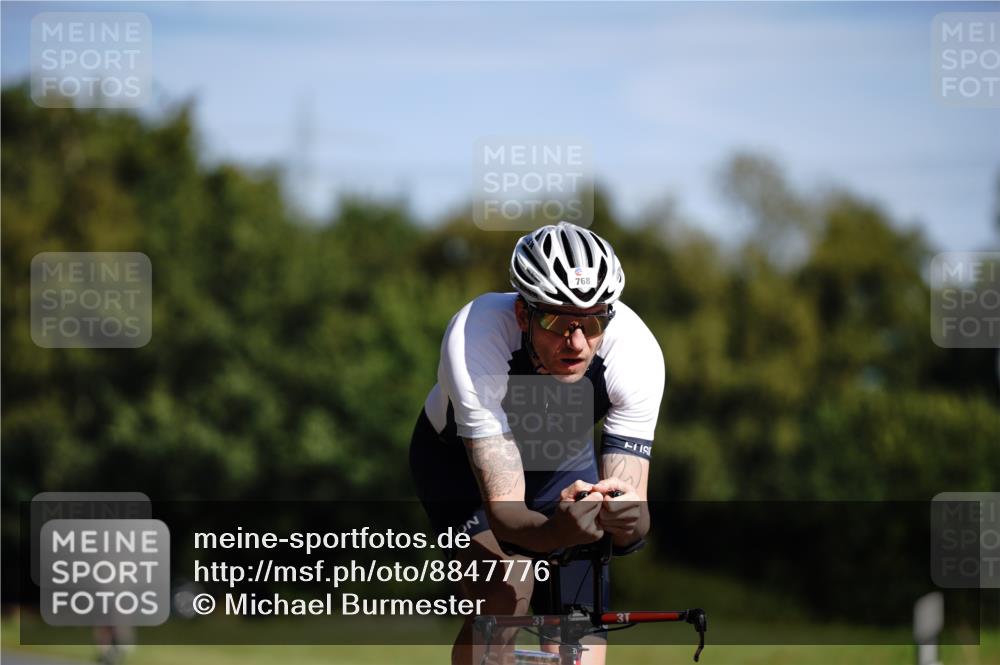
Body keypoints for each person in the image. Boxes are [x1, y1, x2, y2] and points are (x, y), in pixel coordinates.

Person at [410, 221, 665, 665]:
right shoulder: (476, 336)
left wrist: (627, 517)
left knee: (578, 629)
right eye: (556, 320)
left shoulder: (635, 352)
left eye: (594, 320)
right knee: (506, 593)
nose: (578, 342)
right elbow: (506, 513)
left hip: (562, 463)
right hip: (459, 466)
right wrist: (554, 533)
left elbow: (634, 523)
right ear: (523, 314)